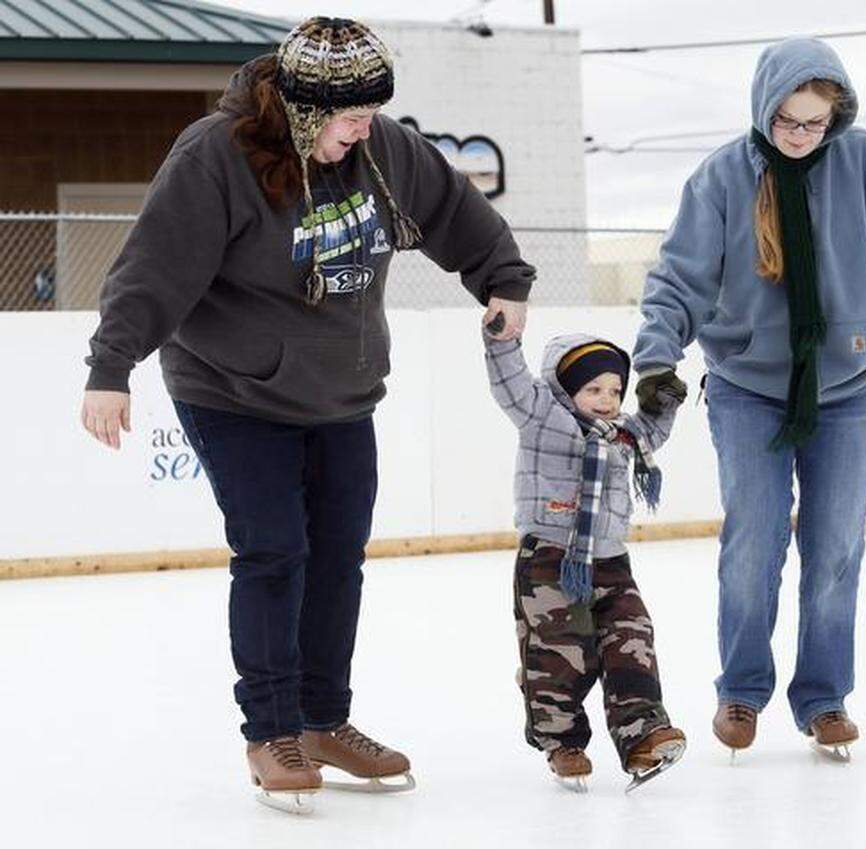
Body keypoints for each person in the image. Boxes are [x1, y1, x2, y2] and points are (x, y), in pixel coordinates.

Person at [79, 17, 534, 813]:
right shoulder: (216, 155)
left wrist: (502, 276)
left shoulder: (382, 150)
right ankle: (272, 731)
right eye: (349, 117)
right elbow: (154, 267)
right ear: (302, 107)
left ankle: (323, 719)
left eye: (371, 114)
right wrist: (111, 366)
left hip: (340, 389)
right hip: (231, 389)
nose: (364, 130)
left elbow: (451, 207)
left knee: (337, 556)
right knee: (274, 550)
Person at [632, 37, 866, 761]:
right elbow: (680, 279)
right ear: (765, 108)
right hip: (747, 387)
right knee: (754, 541)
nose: (798, 134)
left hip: (846, 389)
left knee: (835, 547)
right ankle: (741, 688)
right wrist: (657, 357)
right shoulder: (723, 177)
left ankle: (823, 698)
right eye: (786, 120)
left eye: (814, 122)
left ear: (836, 116)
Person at [483, 326, 687, 790]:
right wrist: (501, 339)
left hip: (611, 560)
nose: (606, 400)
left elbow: (653, 428)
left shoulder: (622, 434)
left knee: (632, 637)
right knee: (562, 651)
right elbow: (509, 381)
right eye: (593, 389)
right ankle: (562, 743)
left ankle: (643, 734)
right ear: (565, 388)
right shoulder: (541, 415)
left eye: (615, 390)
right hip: (550, 557)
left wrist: (663, 399)